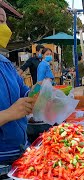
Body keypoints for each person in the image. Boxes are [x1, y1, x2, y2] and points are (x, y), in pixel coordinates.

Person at [0, 7, 34, 164]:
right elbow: (13, 111)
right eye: (0, 21)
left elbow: (24, 92)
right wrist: (8, 114)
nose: (4, 27)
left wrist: (36, 93)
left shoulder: (6, 63)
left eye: (4, 22)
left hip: (21, 152)